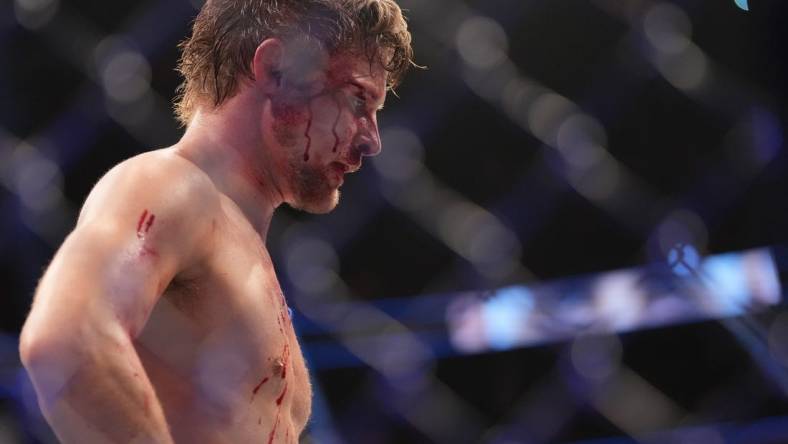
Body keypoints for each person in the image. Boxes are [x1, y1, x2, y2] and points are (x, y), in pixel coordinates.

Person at [18, 0, 414, 442]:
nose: (372, 140)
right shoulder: (172, 185)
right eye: (359, 98)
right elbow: (68, 340)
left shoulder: (239, 244)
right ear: (279, 71)